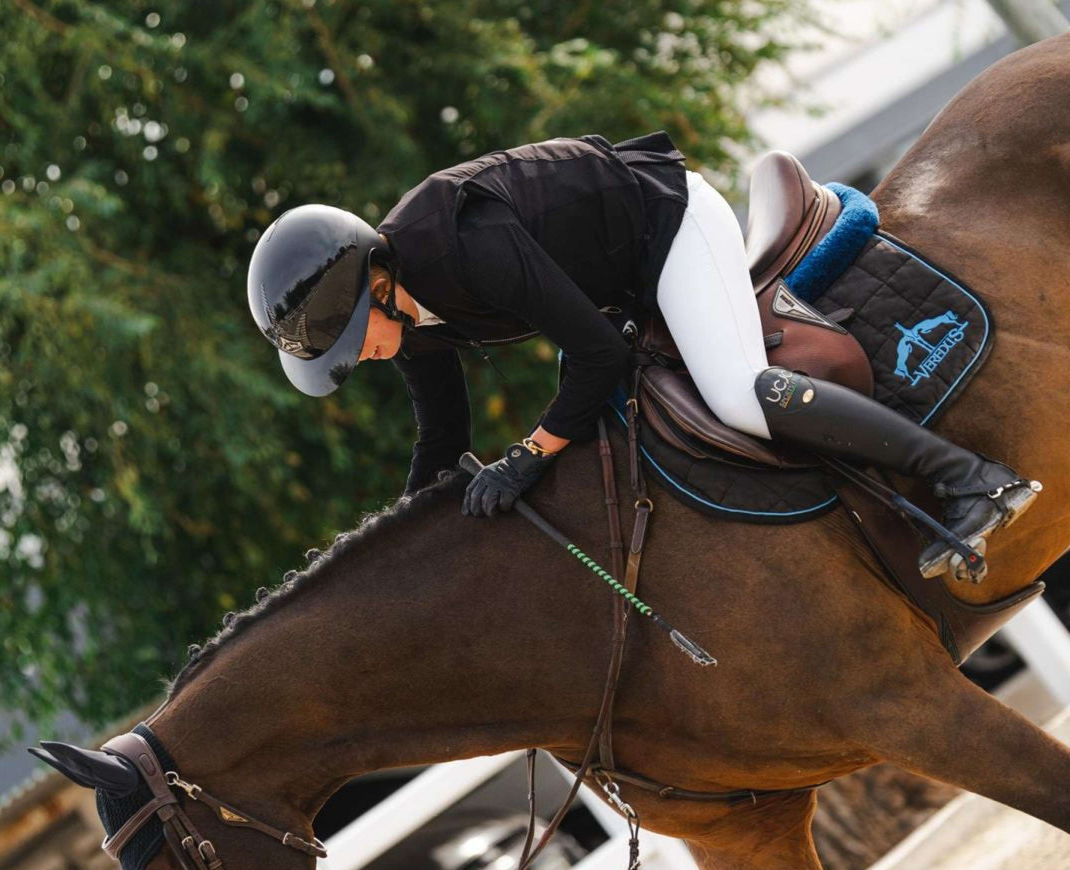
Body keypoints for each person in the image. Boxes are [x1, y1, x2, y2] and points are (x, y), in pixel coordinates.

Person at [246, 133, 1036, 580]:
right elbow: (441, 439)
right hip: (623, 288)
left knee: (734, 393)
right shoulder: (411, 315)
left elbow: (591, 353)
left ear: (379, 282)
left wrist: (528, 453)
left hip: (670, 226)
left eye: (357, 340)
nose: (367, 358)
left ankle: (971, 479)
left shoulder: (465, 247)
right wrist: (391, 544)